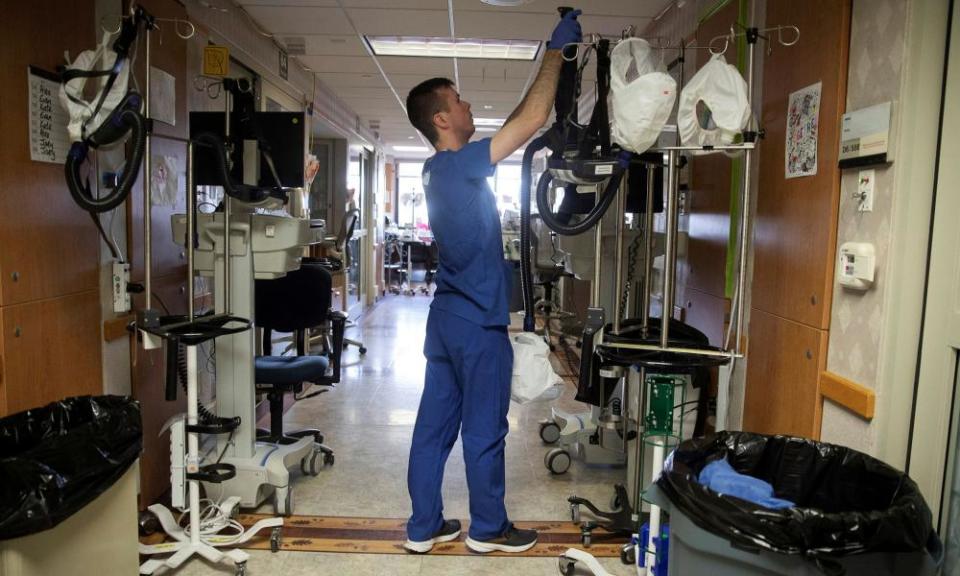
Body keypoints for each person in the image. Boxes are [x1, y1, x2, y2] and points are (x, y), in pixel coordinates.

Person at [402, 9, 582, 554]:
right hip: (477, 324)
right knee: (484, 428)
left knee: (433, 430)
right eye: (458, 100)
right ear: (440, 119)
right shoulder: (457, 168)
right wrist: (554, 54)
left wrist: (542, 79)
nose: (468, 105)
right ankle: (488, 529)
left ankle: (423, 527)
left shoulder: (441, 170)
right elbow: (526, 124)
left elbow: (515, 123)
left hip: (446, 322)